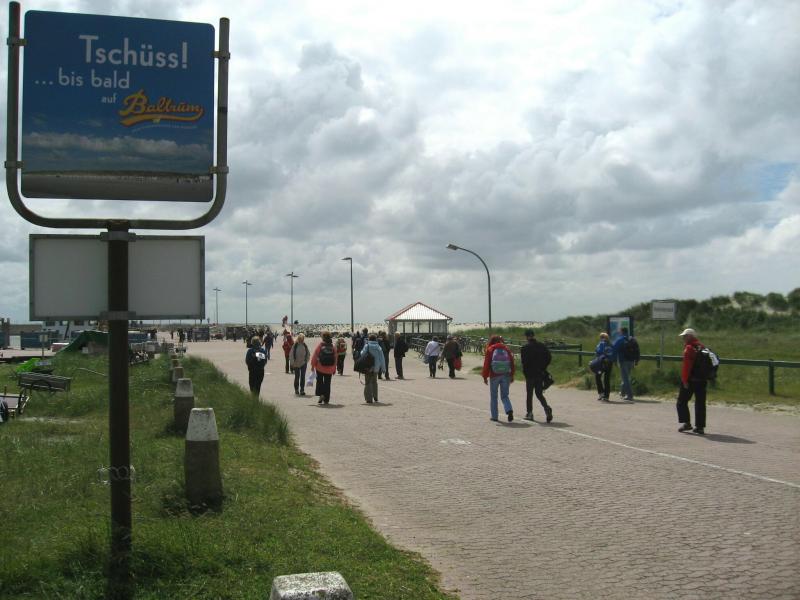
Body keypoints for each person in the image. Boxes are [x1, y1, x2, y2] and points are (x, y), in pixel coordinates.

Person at [677, 328, 708, 435]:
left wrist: (684, 380)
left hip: (691, 380)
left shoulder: (689, 348)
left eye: (685, 336)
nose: (683, 338)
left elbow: (687, 366)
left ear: (690, 336)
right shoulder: (703, 347)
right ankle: (700, 427)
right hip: (702, 380)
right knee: (700, 403)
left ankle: (687, 423)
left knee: (681, 401)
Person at [520, 329, 553, 422]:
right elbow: (549, 357)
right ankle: (547, 408)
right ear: (533, 335)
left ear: (526, 337)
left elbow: (524, 362)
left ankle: (530, 413)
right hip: (540, 373)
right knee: (539, 394)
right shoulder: (542, 346)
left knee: (529, 394)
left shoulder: (525, 348)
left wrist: (525, 372)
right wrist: (543, 367)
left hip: (530, 374)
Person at [482, 335, 515, 422]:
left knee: (494, 396)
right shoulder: (506, 349)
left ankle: (494, 416)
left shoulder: (490, 349)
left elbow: (486, 364)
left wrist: (485, 376)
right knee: (505, 395)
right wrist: (512, 375)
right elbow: (512, 362)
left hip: (494, 375)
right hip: (506, 375)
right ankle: (509, 410)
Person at [612, 327, 639, 402]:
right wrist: (636, 360)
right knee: (626, 377)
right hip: (631, 361)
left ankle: (629, 396)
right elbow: (637, 350)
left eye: (620, 332)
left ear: (621, 332)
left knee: (625, 379)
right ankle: (622, 393)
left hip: (623, 361)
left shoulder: (620, 340)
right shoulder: (632, 339)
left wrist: (614, 360)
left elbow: (614, 350)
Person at [311, 331, 338, 404]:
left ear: (323, 337)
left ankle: (321, 395)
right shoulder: (333, 346)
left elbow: (315, 356)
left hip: (320, 367)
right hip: (330, 368)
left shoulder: (320, 345)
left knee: (319, 382)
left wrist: (313, 365)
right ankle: (326, 399)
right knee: (327, 383)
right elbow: (335, 358)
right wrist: (334, 368)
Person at [360, 333, 386, 403]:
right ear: (375, 339)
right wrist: (383, 368)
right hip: (376, 367)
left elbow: (362, 354)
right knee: (374, 381)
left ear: (369, 339)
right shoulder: (378, 347)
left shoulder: (367, 346)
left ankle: (369, 398)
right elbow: (382, 358)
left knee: (368, 382)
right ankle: (375, 396)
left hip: (368, 367)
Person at [594, 332, 614, 401]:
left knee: (598, 377)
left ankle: (601, 393)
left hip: (602, 363)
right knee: (606, 379)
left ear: (601, 338)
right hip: (610, 363)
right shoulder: (611, 344)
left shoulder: (601, 344)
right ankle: (606, 396)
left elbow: (598, 352)